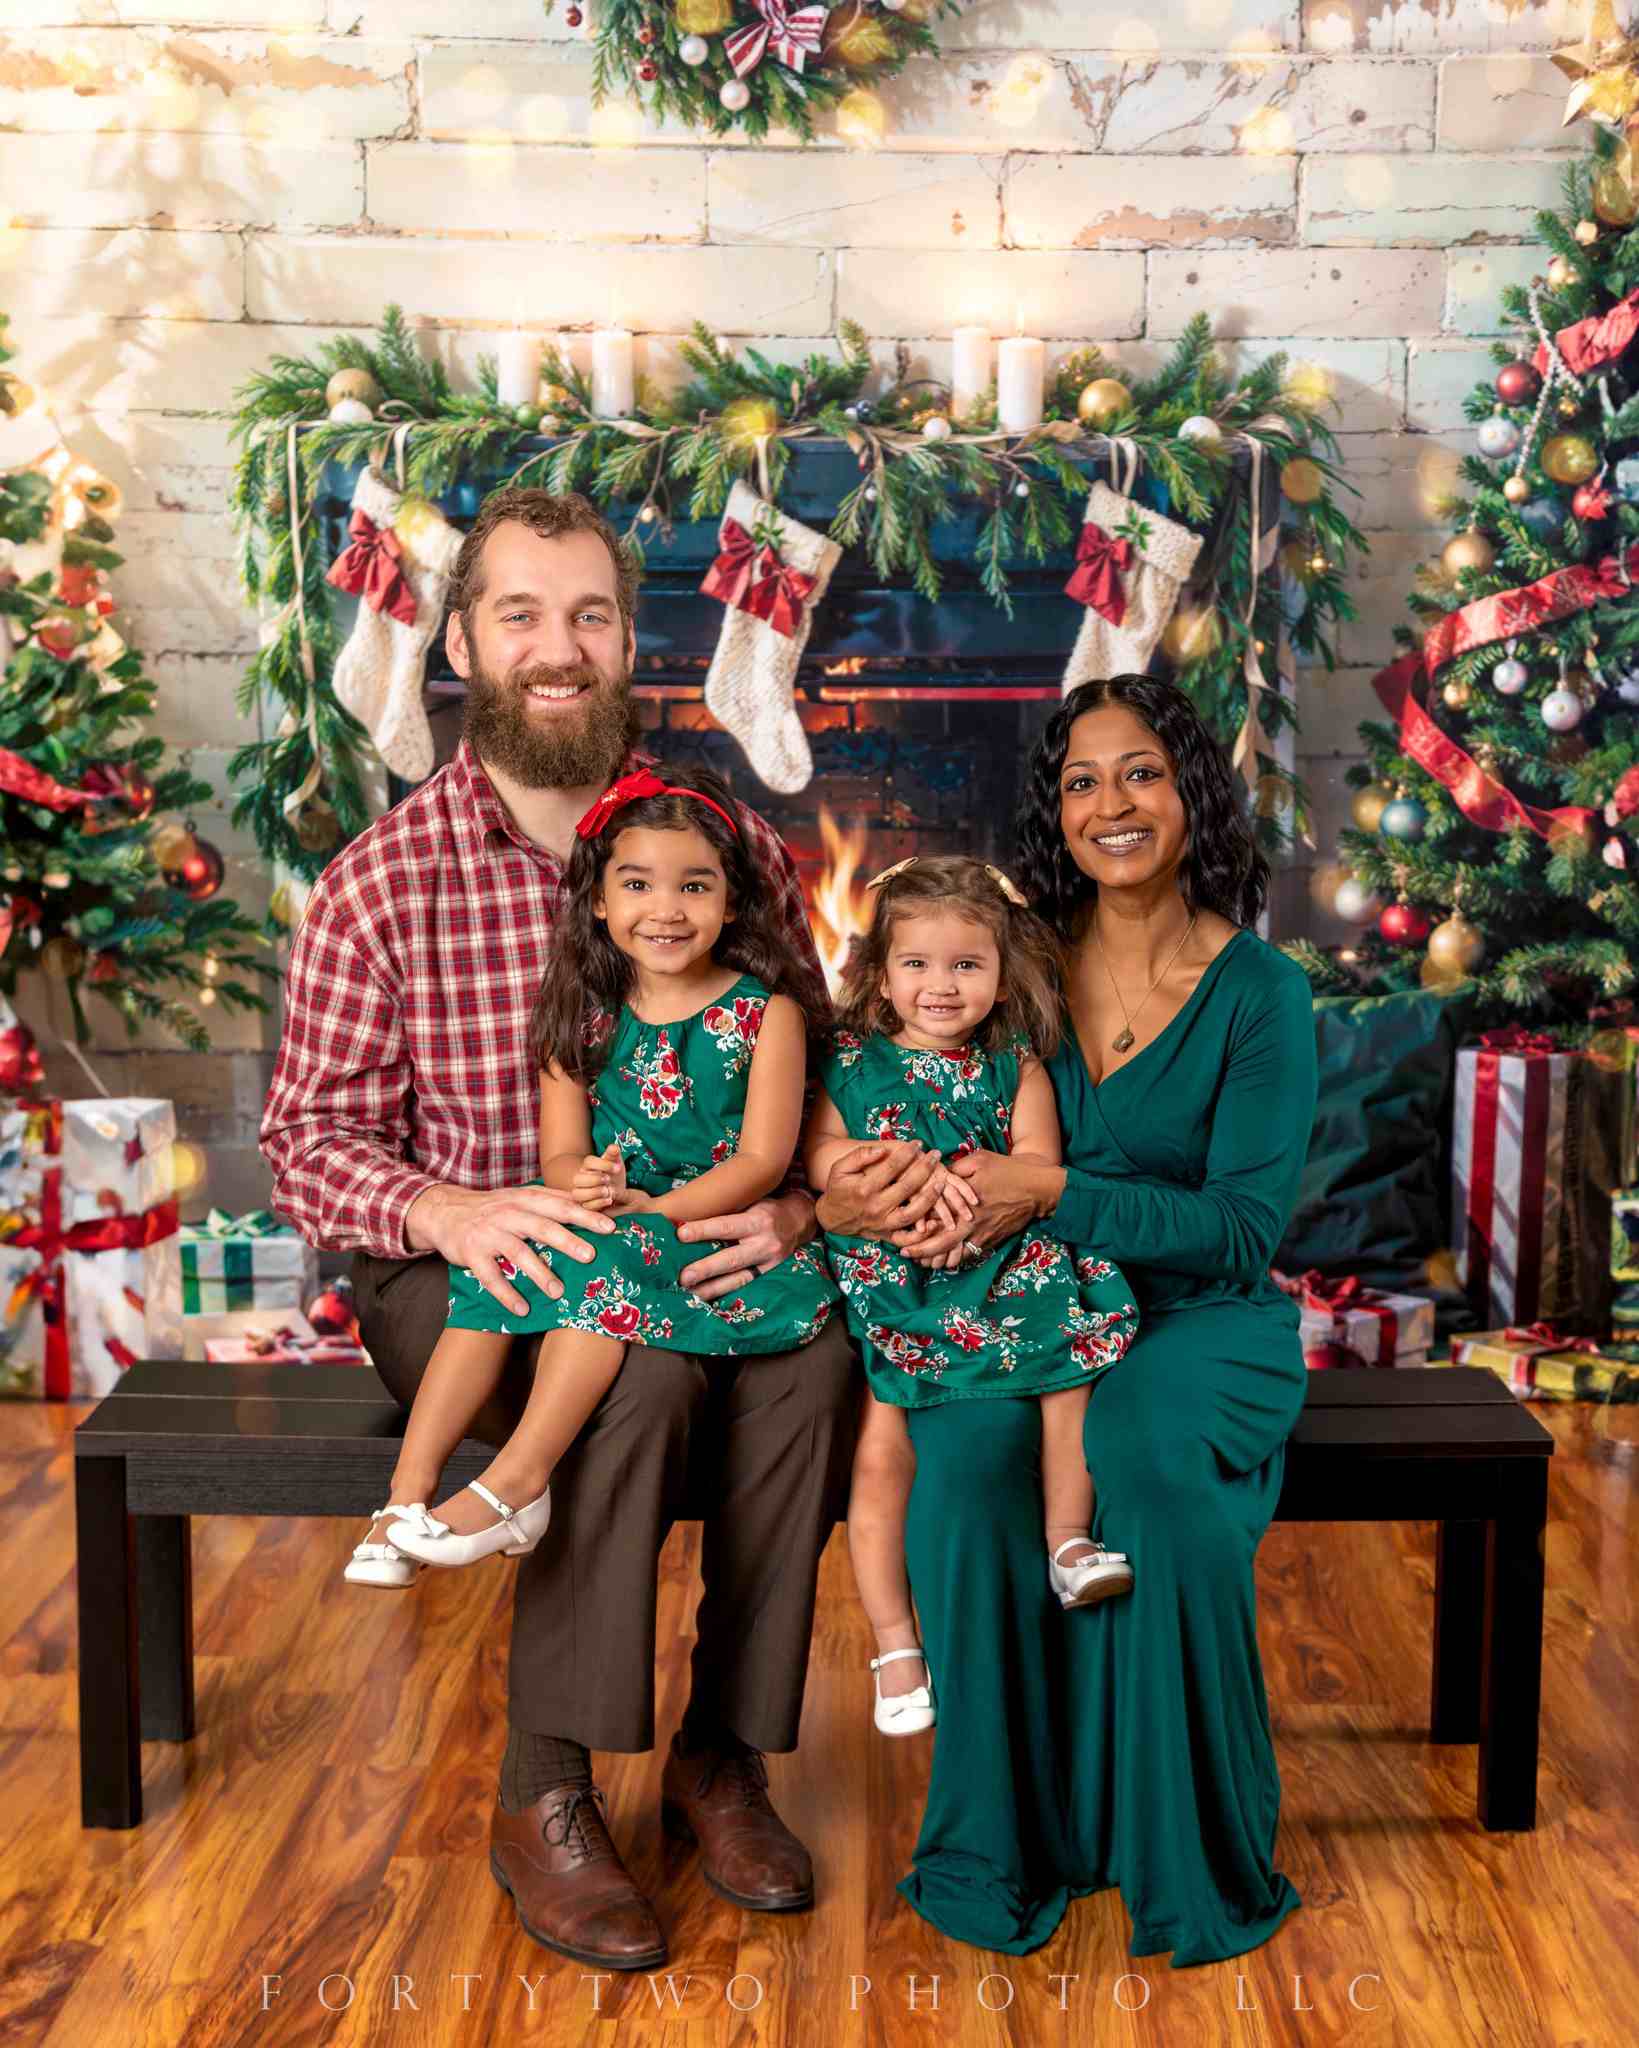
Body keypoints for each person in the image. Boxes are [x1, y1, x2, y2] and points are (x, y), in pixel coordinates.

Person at [261, 488, 951, 1972]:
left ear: (629, 644)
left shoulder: (725, 848)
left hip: (698, 1234)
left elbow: (810, 1065)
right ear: (463, 641)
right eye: (520, 613)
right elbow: (305, 1142)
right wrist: (449, 1204)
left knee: (816, 1362)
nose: (556, 649)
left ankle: (721, 1753)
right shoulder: (379, 882)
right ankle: (546, 1787)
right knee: (626, 1373)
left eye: (588, 616)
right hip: (465, 1272)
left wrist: (788, 1205)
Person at [815, 674, 1319, 1968]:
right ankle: (1000, 1838)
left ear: (1188, 789)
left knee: (1140, 1460)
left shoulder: (1258, 991)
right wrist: (868, 1196)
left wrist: (1049, 1190)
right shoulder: (1010, 958)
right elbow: (887, 1096)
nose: (1111, 802)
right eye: (1080, 780)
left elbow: (1239, 1232)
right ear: (1053, 808)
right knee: (967, 1464)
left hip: (1197, 1318)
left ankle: (1179, 1847)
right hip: (1011, 1305)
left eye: (1138, 771)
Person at [343, 764, 840, 1582]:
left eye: (694, 885)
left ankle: (517, 1482)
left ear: (731, 902)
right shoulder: (578, 1014)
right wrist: (586, 1187)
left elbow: (759, 1163)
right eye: (637, 883)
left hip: (713, 1238)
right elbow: (561, 1155)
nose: (666, 909)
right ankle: (403, 1496)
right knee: (499, 1262)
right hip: (622, 1224)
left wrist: (655, 1213)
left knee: (593, 1276)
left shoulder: (767, 1014)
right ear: (601, 901)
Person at [804, 855, 1140, 1739]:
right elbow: (818, 1156)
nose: (941, 986)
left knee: (1069, 1368)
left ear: (1001, 973)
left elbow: (1037, 1166)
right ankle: (893, 1643)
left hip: (996, 1256)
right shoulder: (847, 1062)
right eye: (916, 964)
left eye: (966, 966)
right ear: (879, 975)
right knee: (881, 1451)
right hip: (894, 1263)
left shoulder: (1012, 1064)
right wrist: (899, 1176)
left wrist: (983, 1196)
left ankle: (1068, 1541)